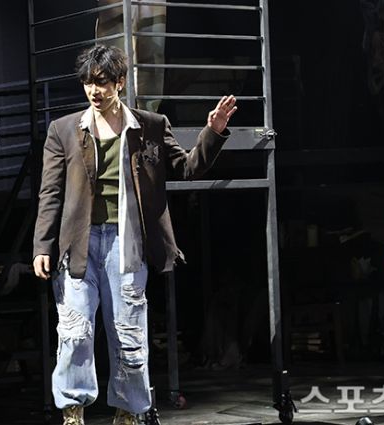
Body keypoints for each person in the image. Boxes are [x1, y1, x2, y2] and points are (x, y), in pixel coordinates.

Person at [32, 44, 236, 425]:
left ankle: (127, 412)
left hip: (125, 243)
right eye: (88, 83)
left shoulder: (149, 126)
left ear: (120, 82)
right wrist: (42, 245)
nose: (94, 91)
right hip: (78, 245)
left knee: (128, 333)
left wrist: (213, 132)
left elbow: (186, 168)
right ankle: (72, 412)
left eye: (102, 82)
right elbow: (50, 192)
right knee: (74, 332)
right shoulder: (64, 130)